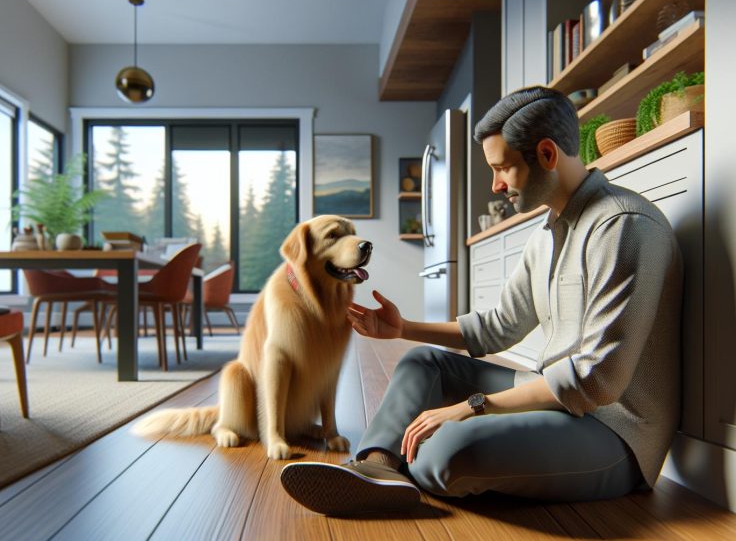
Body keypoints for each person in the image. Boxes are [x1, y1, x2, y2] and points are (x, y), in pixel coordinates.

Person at [280, 86, 683, 516]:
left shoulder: (623, 228)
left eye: (502, 168)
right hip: (557, 400)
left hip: (614, 432)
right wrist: (402, 329)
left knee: (444, 452)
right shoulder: (546, 235)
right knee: (421, 362)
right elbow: (497, 327)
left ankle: (402, 468)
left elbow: (595, 380)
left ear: (547, 155)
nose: (495, 185)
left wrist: (471, 407)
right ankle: (376, 467)